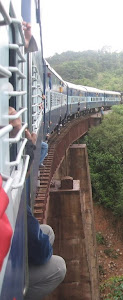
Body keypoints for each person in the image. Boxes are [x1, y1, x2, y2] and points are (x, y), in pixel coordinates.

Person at [9, 107, 66, 299]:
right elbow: (41, 252)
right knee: (57, 265)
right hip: (6, 274)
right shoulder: (11, 194)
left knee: (47, 231)